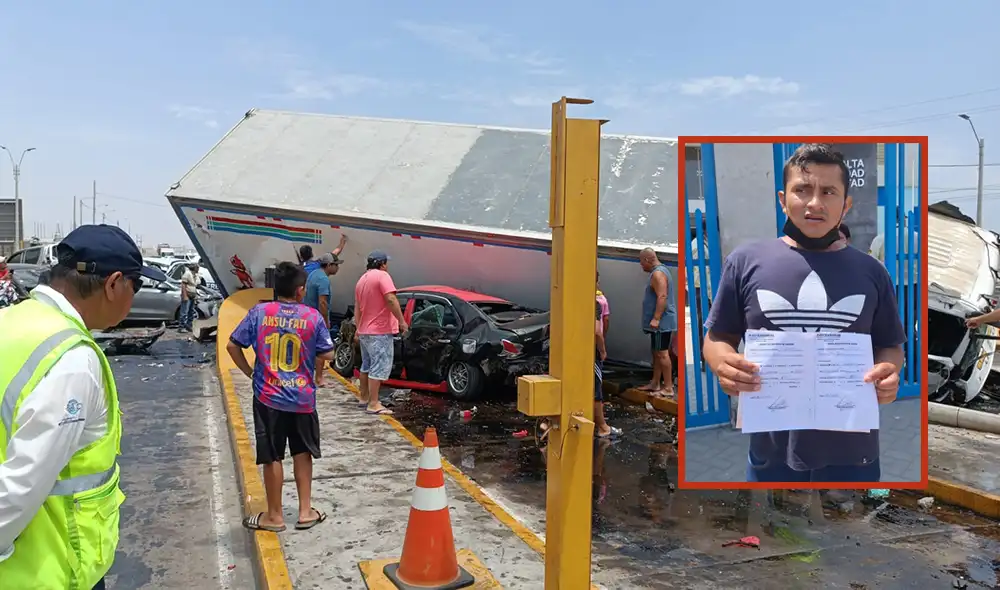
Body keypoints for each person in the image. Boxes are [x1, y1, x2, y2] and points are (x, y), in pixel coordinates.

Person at [702, 143, 906, 483]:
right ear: (783, 199)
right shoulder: (746, 261)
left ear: (846, 204)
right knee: (774, 535)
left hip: (855, 451)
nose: (815, 203)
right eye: (802, 190)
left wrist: (888, 371)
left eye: (828, 191)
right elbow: (717, 336)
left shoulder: (872, 272)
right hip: (771, 449)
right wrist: (721, 362)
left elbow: (890, 344)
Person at [0, 224, 167, 589]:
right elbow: (19, 484)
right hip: (46, 572)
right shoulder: (71, 359)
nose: (133, 300)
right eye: (135, 287)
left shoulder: (11, 321)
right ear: (113, 284)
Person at [226, 261, 334, 533]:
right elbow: (328, 353)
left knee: (272, 455)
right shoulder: (312, 317)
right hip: (302, 398)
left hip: (267, 397)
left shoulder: (259, 313)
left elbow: (232, 345)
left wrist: (250, 372)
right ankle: (305, 511)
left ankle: (274, 516)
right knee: (301, 451)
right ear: (300, 291)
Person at [354, 250, 408, 416]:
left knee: (366, 365)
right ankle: (374, 403)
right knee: (378, 367)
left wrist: (358, 327)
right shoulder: (382, 276)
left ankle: (364, 398)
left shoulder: (362, 280)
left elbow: (357, 307)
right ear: (382, 264)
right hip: (380, 330)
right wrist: (401, 320)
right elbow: (391, 299)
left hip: (365, 331)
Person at [637, 248, 677, 398]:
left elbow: (662, 297)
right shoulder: (660, 272)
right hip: (659, 322)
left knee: (662, 353)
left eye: (641, 262)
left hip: (662, 323)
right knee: (656, 352)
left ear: (648, 260)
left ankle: (668, 387)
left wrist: (656, 318)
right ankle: (655, 382)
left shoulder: (658, 274)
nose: (641, 266)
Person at [304, 253, 343, 387]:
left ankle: (308, 375)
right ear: (329, 265)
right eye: (336, 265)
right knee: (320, 349)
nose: (337, 268)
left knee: (308, 348)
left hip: (307, 316)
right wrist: (325, 321)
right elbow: (323, 302)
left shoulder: (313, 274)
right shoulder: (323, 280)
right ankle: (319, 378)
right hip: (317, 318)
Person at [594, 273, 621, 438]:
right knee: (595, 389)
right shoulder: (597, 301)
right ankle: (603, 427)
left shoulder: (571, 297)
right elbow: (598, 330)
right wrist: (602, 349)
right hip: (590, 351)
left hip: (572, 349)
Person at [178, 261, 199, 332]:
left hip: (192, 295)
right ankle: (181, 327)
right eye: (197, 267)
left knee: (191, 311)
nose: (198, 269)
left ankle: (189, 325)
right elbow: (183, 285)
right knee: (184, 311)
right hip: (187, 295)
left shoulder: (195, 275)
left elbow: (196, 285)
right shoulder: (187, 274)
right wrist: (184, 295)